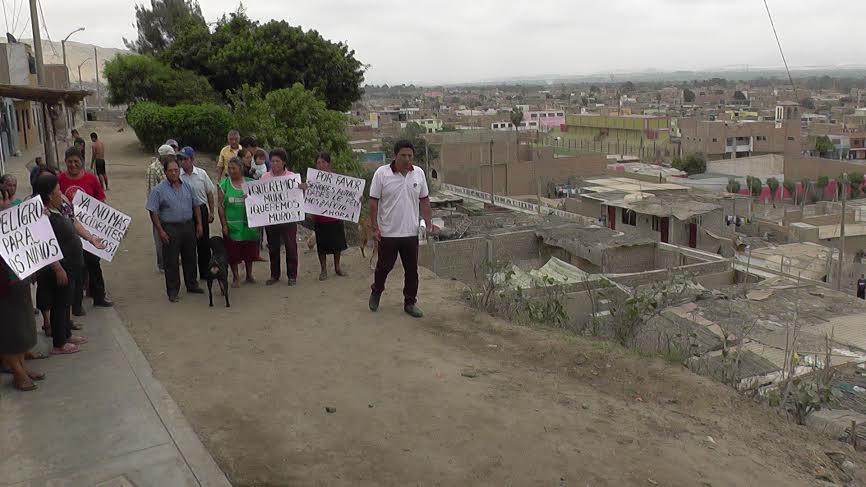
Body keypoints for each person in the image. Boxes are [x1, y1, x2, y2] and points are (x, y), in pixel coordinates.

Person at [33, 170, 105, 355]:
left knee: (66, 302)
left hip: (72, 263)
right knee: (59, 303)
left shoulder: (62, 206)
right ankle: (59, 343)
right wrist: (57, 268)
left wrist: (92, 239)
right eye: (57, 189)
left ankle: (66, 334)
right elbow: (44, 244)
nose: (61, 192)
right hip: (59, 267)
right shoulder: (42, 215)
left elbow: (75, 223)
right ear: (49, 194)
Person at [368, 140, 436, 318]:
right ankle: (376, 291)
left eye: (410, 156)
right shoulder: (381, 174)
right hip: (388, 233)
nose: (407, 159)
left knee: (412, 270)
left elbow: (425, 200)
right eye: (403, 156)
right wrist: (375, 228)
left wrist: (428, 222)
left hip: (410, 233)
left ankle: (410, 302)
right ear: (395, 156)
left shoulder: (419, 174)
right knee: (384, 267)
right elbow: (373, 202)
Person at [59, 147, 113, 316]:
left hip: (90, 231)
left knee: (93, 264)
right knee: (76, 268)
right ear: (65, 162)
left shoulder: (91, 179)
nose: (73, 165)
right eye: (70, 162)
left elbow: (101, 200)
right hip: (69, 232)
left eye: (76, 161)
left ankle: (99, 297)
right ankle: (76, 305)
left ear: (82, 161)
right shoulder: (59, 180)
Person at [0, 187, 43, 390]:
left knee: (22, 326)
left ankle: (22, 367)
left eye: (6, 198)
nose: (6, 202)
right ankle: (17, 373)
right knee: (8, 330)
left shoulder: (14, 221)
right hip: (3, 287)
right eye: (2, 199)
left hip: (19, 281)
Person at [147, 158, 204, 302]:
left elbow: (196, 205)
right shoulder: (158, 190)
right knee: (171, 261)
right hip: (170, 227)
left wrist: (199, 224)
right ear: (165, 172)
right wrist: (160, 231)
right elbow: (153, 211)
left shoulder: (187, 187)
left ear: (179, 171)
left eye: (176, 170)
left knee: (190, 257)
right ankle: (173, 291)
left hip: (188, 225)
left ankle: (192, 284)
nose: (173, 173)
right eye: (170, 170)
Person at [261, 149, 304, 285]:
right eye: (272, 161)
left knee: (291, 246)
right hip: (271, 218)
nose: (274, 164)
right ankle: (274, 275)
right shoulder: (265, 177)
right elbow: (258, 196)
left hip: (289, 218)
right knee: (273, 247)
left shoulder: (292, 177)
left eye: (277, 161)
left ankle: (292, 275)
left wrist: (302, 188)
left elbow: (299, 197)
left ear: (284, 162)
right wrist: (249, 197)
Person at [218, 157, 260, 287]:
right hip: (232, 225)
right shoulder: (223, 184)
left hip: (248, 224)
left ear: (241, 169)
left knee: (249, 251)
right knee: (233, 253)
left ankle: (249, 274)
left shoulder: (251, 183)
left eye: (233, 168)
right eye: (229, 168)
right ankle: (236, 277)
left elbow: (261, 201)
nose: (231, 171)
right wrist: (224, 225)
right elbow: (220, 206)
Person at [178, 146, 216, 280]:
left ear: (192, 159)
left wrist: (212, 212)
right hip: (186, 211)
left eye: (185, 159)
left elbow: (209, 193)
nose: (182, 162)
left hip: (202, 209)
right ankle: (191, 276)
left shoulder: (201, 174)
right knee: (189, 245)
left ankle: (205, 272)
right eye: (180, 159)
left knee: (204, 243)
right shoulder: (178, 176)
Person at [312, 152, 348, 280]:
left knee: (337, 244)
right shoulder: (312, 180)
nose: (321, 165)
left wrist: (356, 198)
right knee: (321, 245)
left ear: (329, 163)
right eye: (318, 162)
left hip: (335, 217)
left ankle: (337, 267)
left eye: (323, 162)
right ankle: (323, 270)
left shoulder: (337, 180)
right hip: (319, 218)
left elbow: (347, 195)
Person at [146, 143, 176, 272]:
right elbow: (152, 191)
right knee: (159, 236)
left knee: (171, 235)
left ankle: (171, 259)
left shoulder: (168, 167)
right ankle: (162, 263)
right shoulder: (153, 169)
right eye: (170, 156)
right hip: (159, 208)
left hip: (171, 207)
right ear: (164, 156)